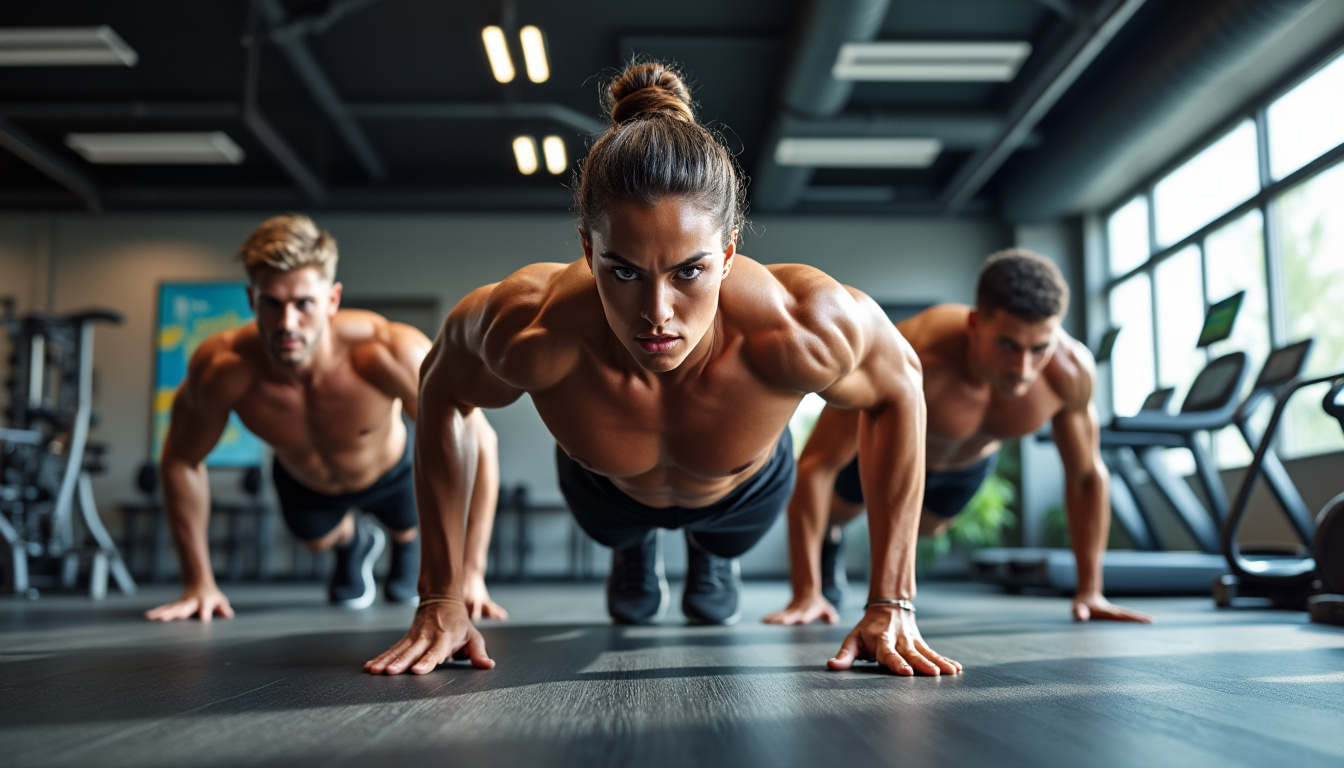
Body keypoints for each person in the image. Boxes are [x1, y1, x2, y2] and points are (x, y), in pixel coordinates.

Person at [364, 61, 961, 678]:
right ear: (588, 250)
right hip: (605, 493)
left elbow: (901, 387)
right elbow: (439, 388)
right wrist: (440, 594)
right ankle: (634, 549)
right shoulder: (529, 327)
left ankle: (710, 553)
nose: (656, 314)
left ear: (728, 253)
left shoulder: (802, 325)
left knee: (713, 586)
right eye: (623, 272)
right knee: (629, 576)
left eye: (689, 272)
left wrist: (893, 601)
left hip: (740, 494)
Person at [145, 214, 506, 622]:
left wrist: (472, 575)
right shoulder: (222, 368)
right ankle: (353, 543)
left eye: (303, 305)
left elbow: (479, 440)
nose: (287, 324)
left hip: (392, 473)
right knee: (316, 541)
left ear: (332, 299)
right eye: (272, 304)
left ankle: (404, 542)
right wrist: (198, 582)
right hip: (305, 482)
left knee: (409, 525)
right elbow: (180, 459)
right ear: (251, 300)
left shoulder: (387, 351)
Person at [764, 249, 1154, 628]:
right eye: (1008, 345)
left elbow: (1086, 475)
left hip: (967, 463)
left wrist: (1091, 592)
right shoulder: (915, 349)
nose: (1023, 368)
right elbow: (816, 465)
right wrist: (805, 592)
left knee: (928, 527)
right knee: (837, 511)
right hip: (887, 452)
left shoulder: (1070, 372)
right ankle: (829, 552)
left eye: (1040, 349)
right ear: (974, 325)